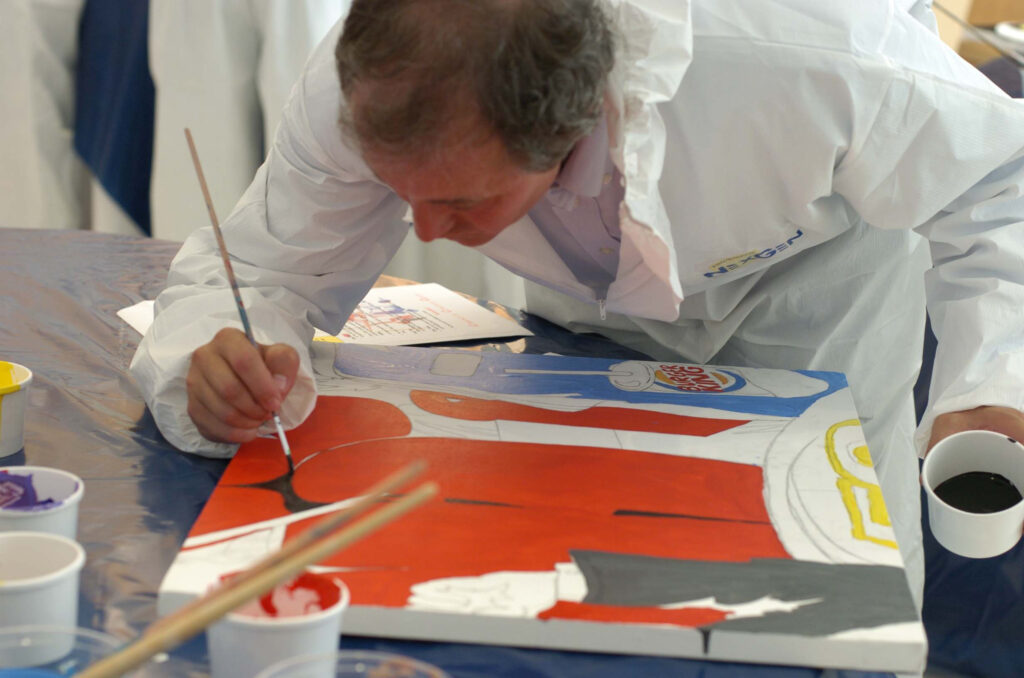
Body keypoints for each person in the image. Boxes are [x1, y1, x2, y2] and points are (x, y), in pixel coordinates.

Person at [131, 0, 1024, 612]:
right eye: (408, 195)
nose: (429, 234)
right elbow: (267, 269)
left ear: (569, 130)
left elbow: (1000, 184)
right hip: (587, 311)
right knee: (586, 574)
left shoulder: (815, 64)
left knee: (832, 586)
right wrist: (224, 352)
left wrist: (991, 381)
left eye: (463, 204)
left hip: (821, 275)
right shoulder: (365, 83)